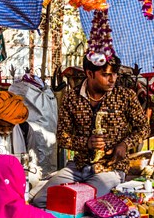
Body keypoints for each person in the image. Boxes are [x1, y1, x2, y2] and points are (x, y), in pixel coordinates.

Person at [33, 54, 150, 208]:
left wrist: (124, 145)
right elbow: (62, 137)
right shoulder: (71, 98)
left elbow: (143, 128)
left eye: (114, 74)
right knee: (40, 200)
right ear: (89, 73)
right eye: (106, 75)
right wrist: (86, 143)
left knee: (87, 204)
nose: (112, 79)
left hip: (110, 169)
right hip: (78, 167)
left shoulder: (125, 96)